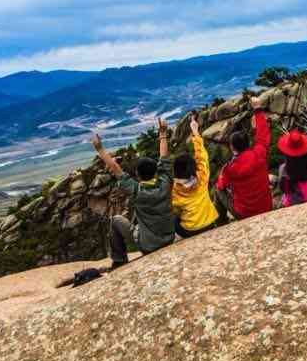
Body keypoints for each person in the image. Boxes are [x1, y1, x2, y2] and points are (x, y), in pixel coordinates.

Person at [91, 119, 175, 267]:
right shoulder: (165, 182)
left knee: (116, 220)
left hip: (149, 245)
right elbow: (164, 158)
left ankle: (119, 260)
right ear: (156, 171)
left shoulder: (136, 190)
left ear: (137, 174)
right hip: (169, 238)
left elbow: (115, 169)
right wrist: (162, 133)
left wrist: (99, 149)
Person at [215, 96, 273, 220]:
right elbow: (263, 134)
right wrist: (257, 108)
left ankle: (221, 221)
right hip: (266, 207)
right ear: (248, 143)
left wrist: (222, 176)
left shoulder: (229, 169)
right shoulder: (259, 154)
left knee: (217, 190)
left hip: (244, 214)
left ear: (232, 147)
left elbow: (221, 186)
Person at [171, 114, 220, 238]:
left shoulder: (175, 189)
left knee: (173, 219)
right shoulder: (202, 176)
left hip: (190, 230)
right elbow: (202, 156)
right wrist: (195, 132)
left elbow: (174, 209)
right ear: (193, 167)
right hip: (210, 222)